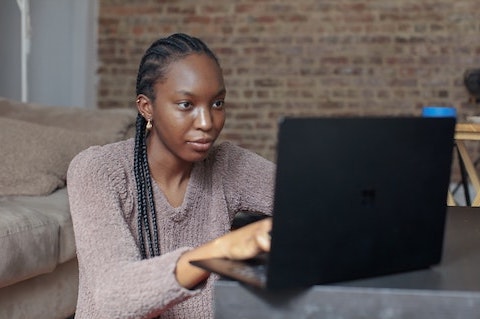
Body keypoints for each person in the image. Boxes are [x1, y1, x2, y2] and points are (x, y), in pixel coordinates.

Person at [67, 33, 275, 318]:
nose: (207, 123)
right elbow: (113, 296)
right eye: (186, 105)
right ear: (146, 107)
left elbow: (312, 200)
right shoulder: (98, 170)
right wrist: (219, 252)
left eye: (217, 104)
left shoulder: (227, 165)